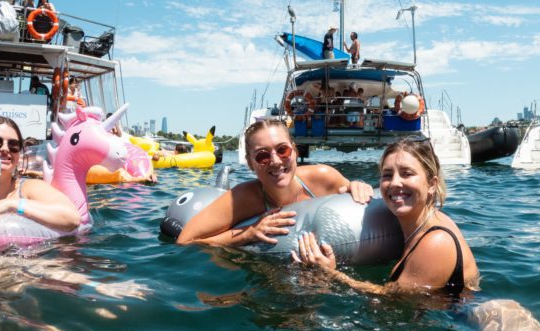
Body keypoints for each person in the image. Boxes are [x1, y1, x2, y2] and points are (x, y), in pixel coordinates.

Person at [293, 138, 479, 295]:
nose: (395, 183)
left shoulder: (436, 241)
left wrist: (331, 273)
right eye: (387, 175)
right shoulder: (423, 224)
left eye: (407, 174)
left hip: (480, 326)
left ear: (431, 183)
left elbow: (391, 299)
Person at [177, 119, 373, 246]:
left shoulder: (324, 178)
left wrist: (358, 186)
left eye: (283, 150)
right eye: (262, 156)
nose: (276, 161)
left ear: (295, 151)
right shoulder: (242, 198)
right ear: (251, 164)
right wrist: (248, 233)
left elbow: (355, 196)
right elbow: (185, 241)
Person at [0, 116, 81, 236]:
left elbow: (72, 219)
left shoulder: (29, 188)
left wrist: (11, 205)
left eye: (13, 145)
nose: (5, 149)